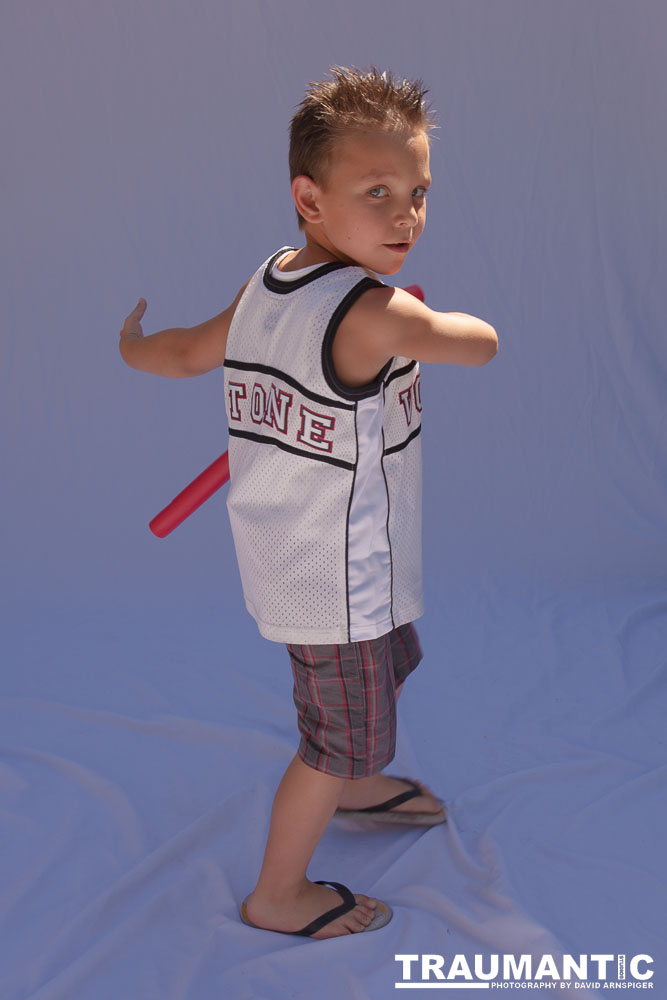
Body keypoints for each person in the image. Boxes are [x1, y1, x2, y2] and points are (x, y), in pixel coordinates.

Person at [119, 65, 498, 940]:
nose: (405, 215)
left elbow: (183, 354)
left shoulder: (269, 282)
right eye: (377, 192)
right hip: (340, 575)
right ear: (309, 196)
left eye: (418, 192)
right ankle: (278, 892)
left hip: (300, 558)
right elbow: (476, 348)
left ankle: (359, 780)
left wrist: (133, 344)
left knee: (385, 674)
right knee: (330, 738)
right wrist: (434, 321)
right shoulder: (373, 313)